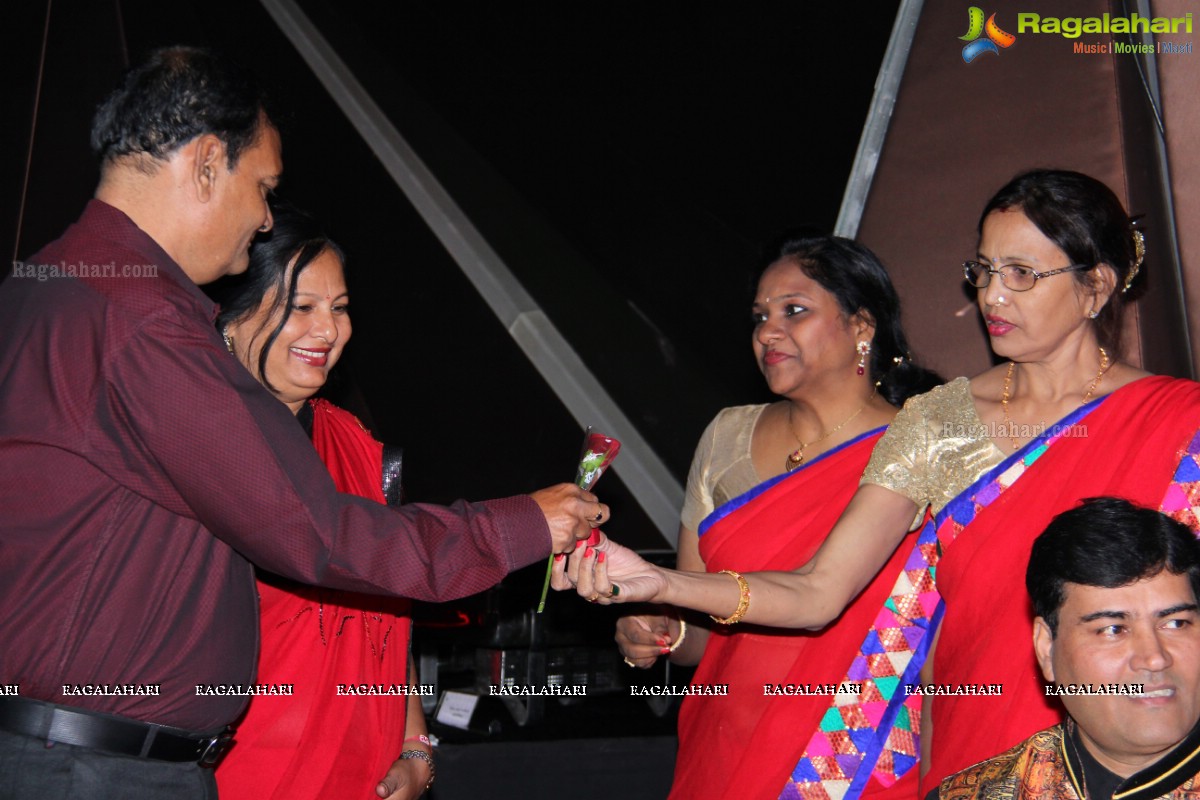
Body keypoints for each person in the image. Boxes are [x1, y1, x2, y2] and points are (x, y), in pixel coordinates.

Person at [0, 47, 606, 797]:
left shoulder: (43, 290)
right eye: (263, 188)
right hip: (92, 769)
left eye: (340, 307)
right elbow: (318, 533)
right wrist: (523, 524)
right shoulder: (144, 323)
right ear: (205, 163)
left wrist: (412, 736)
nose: (261, 219)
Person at [558, 169, 1200, 798]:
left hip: (1141, 741)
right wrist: (666, 585)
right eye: (983, 271)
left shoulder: (1180, 423)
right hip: (977, 750)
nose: (992, 298)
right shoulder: (944, 419)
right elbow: (816, 591)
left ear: (1096, 288)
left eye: (1023, 275)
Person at [613, 235, 938, 799]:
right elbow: (702, 629)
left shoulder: (924, 437)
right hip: (726, 748)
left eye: (795, 310)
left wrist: (665, 584)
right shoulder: (726, 435)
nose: (767, 331)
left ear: (863, 326)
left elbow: (827, 599)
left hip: (854, 754)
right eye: (761, 316)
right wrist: (665, 632)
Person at [208, 203, 431, 798]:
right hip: (240, 774)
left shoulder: (360, 448)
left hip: (369, 777)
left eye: (338, 308)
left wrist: (415, 746)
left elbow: (391, 613)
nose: (328, 330)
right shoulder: (196, 450)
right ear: (230, 318)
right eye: (300, 308)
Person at [932, 497, 1200, 800]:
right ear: (1047, 650)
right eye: (1113, 629)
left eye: (1176, 623)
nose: (1154, 658)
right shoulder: (977, 794)